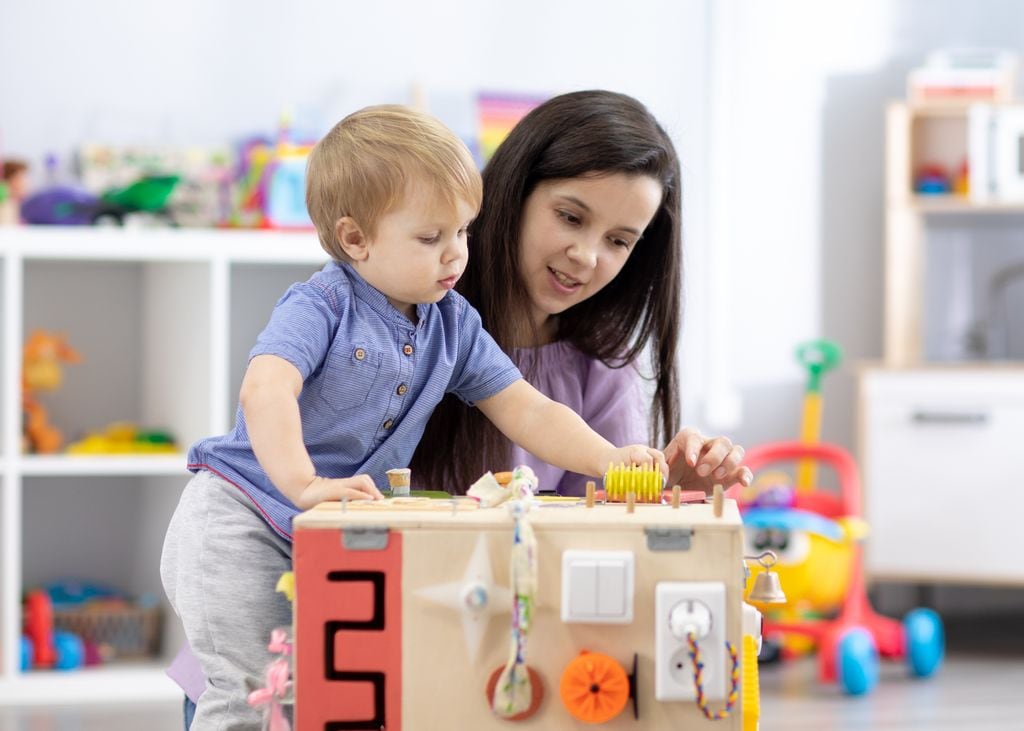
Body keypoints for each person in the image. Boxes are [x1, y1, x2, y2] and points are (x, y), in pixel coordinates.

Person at [161, 104, 667, 730]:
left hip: (323, 540)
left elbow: (527, 409)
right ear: (355, 240)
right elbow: (265, 391)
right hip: (244, 519)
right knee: (254, 695)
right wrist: (304, 486)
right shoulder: (322, 304)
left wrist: (608, 460)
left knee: (321, 699)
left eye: (462, 233)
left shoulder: (454, 322)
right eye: (432, 238)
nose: (456, 255)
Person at [411, 89, 752, 495]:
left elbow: (596, 531)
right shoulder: (407, 320)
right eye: (570, 217)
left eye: (619, 241)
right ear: (514, 192)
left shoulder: (600, 366)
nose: (587, 257)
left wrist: (667, 492)